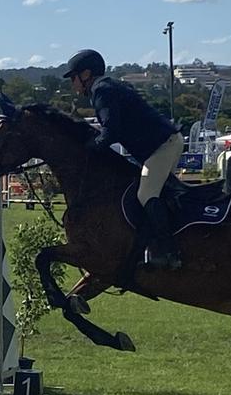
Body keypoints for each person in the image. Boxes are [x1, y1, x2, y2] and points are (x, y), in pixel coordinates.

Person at [63, 48, 183, 270]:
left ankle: (169, 252)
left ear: (86, 74)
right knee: (145, 190)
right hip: (158, 146)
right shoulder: (105, 88)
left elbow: (111, 131)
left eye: (74, 78)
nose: (73, 84)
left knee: (146, 193)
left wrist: (89, 149)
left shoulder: (102, 91)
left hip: (163, 146)